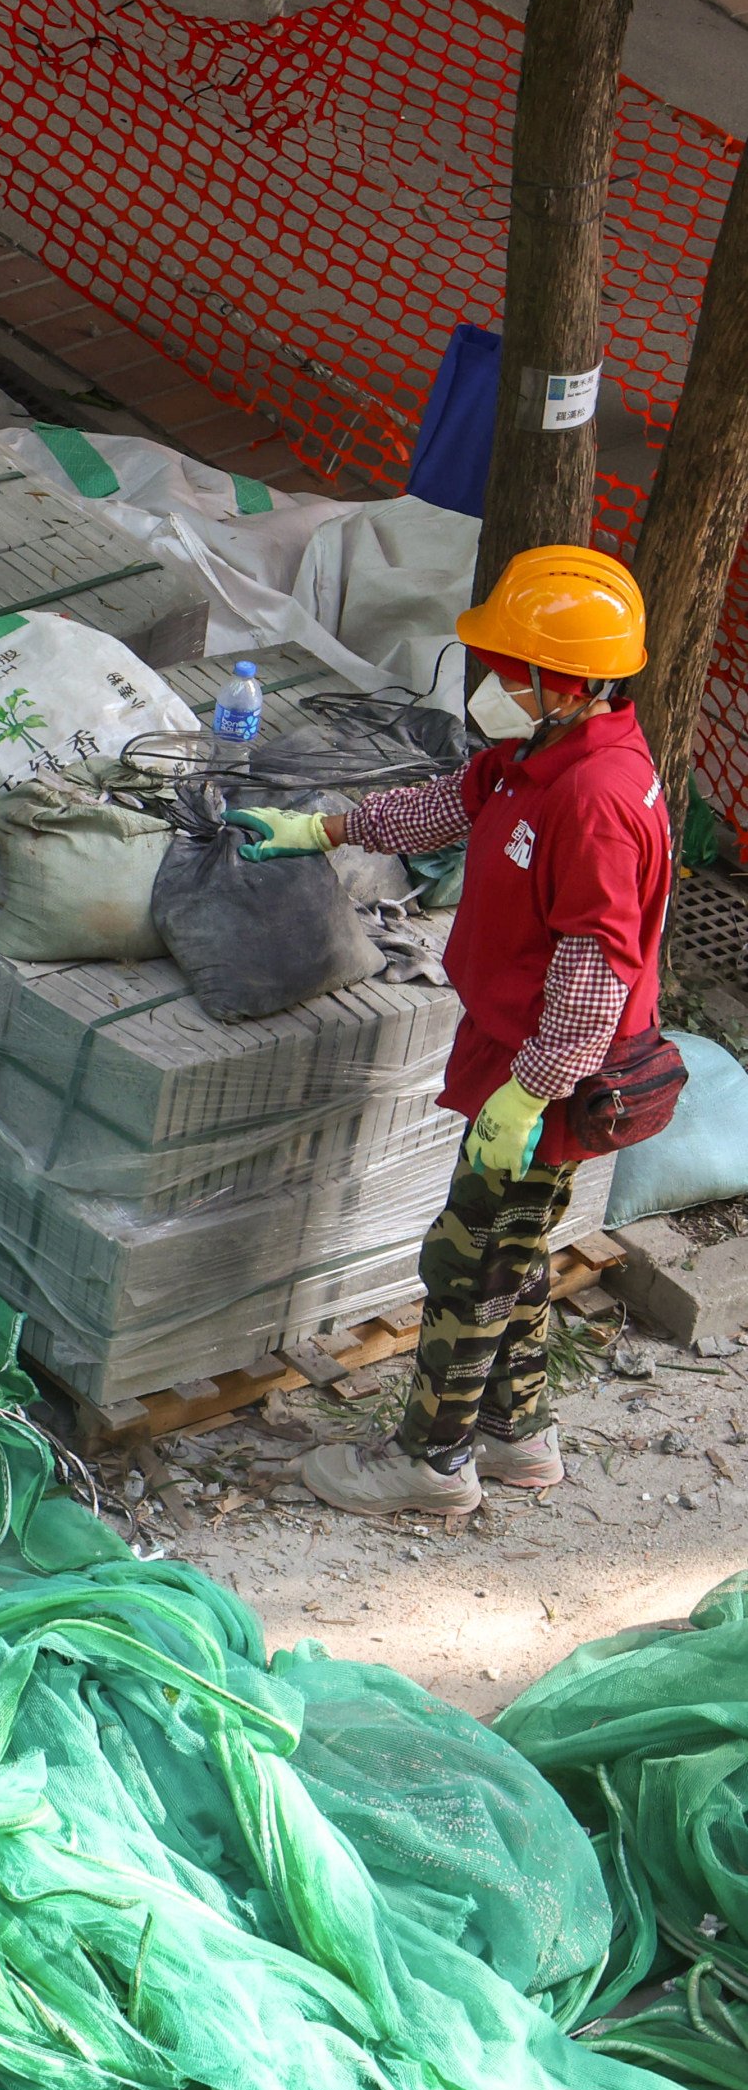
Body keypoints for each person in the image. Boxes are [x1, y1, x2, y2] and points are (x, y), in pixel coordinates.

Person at [242, 546, 676, 1521]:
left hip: (553, 1075)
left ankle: (429, 1464)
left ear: (561, 679)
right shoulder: (544, 756)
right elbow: (452, 801)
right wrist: (326, 832)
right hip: (515, 1049)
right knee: (511, 1249)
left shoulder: (597, 799)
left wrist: (530, 1091)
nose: (495, 679)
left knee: (468, 1258)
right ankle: (517, 1434)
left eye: (512, 664)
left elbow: (595, 962)